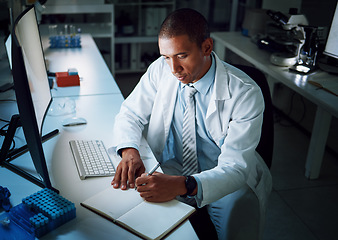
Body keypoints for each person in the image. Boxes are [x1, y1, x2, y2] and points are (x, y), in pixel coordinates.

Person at [111, 8, 272, 240]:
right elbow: (129, 113)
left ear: (207, 47)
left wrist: (184, 185)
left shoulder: (245, 93)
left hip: (224, 178)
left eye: (182, 56)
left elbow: (236, 168)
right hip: (171, 168)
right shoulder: (160, 69)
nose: (173, 69)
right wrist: (129, 151)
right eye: (166, 57)